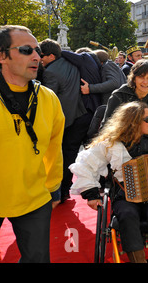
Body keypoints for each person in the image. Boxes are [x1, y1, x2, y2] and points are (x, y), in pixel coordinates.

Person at [70, 101, 148, 263]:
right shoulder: (111, 145)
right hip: (125, 197)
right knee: (127, 214)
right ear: (133, 122)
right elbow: (85, 164)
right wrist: (91, 194)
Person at [0, 25, 65, 262]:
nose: (36, 56)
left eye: (37, 50)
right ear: (1, 55)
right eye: (26, 50)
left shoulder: (49, 99)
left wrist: (53, 186)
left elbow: (53, 148)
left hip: (35, 197)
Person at [40, 38, 93, 203]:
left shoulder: (50, 72)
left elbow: (49, 99)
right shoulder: (73, 63)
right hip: (83, 115)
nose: (39, 59)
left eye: (41, 55)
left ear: (50, 56)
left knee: (60, 157)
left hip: (66, 120)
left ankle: (58, 193)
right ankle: (66, 191)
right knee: (75, 155)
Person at [102, 59, 148, 142]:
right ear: (134, 78)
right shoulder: (119, 95)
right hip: (123, 143)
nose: (145, 82)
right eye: (141, 77)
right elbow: (107, 127)